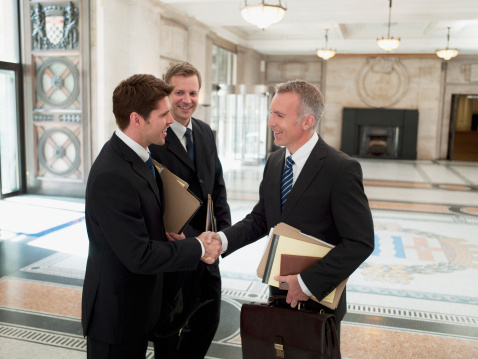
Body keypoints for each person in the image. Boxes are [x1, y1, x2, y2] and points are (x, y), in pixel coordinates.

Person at [215, 80, 375, 339]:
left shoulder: (341, 169)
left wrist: (307, 284)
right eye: (271, 113)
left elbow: (361, 242)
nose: (270, 122)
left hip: (319, 301)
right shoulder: (275, 161)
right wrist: (221, 240)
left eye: (279, 115)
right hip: (278, 294)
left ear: (307, 121)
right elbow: (262, 218)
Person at [81, 74, 222, 359]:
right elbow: (139, 255)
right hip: (116, 317)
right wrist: (197, 246)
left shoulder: (141, 157)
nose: (171, 120)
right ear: (136, 119)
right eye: (163, 114)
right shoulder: (112, 174)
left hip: (140, 306)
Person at [149, 62, 231, 359]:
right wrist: (192, 238)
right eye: (179, 92)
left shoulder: (206, 132)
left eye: (193, 92)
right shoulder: (155, 138)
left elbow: (217, 187)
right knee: (170, 326)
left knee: (209, 319)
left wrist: (222, 235)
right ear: (166, 93)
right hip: (176, 246)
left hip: (208, 246)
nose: (187, 99)